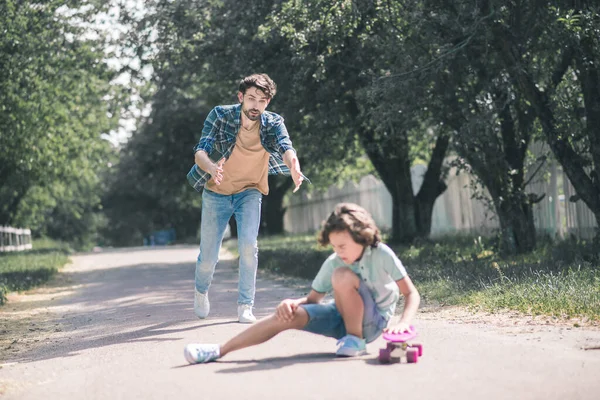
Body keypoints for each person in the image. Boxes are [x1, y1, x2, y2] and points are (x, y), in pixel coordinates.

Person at [183, 203, 421, 363]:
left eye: (343, 246)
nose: (338, 252)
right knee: (287, 314)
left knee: (341, 276)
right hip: (341, 318)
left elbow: (411, 294)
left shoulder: (381, 254)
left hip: (373, 323)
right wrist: (291, 303)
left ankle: (356, 341)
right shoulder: (334, 261)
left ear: (361, 236)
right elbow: (312, 301)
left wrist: (403, 323)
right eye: (334, 246)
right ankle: (218, 350)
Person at [187, 73, 307, 324]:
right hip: (216, 192)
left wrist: (294, 166)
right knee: (208, 257)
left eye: (262, 100)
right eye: (251, 98)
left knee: (248, 246)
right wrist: (210, 167)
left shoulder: (273, 123)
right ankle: (201, 290)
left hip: (250, 191)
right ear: (241, 97)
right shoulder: (220, 115)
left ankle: (245, 305)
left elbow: (286, 147)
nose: (256, 105)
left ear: (268, 102)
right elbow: (200, 151)